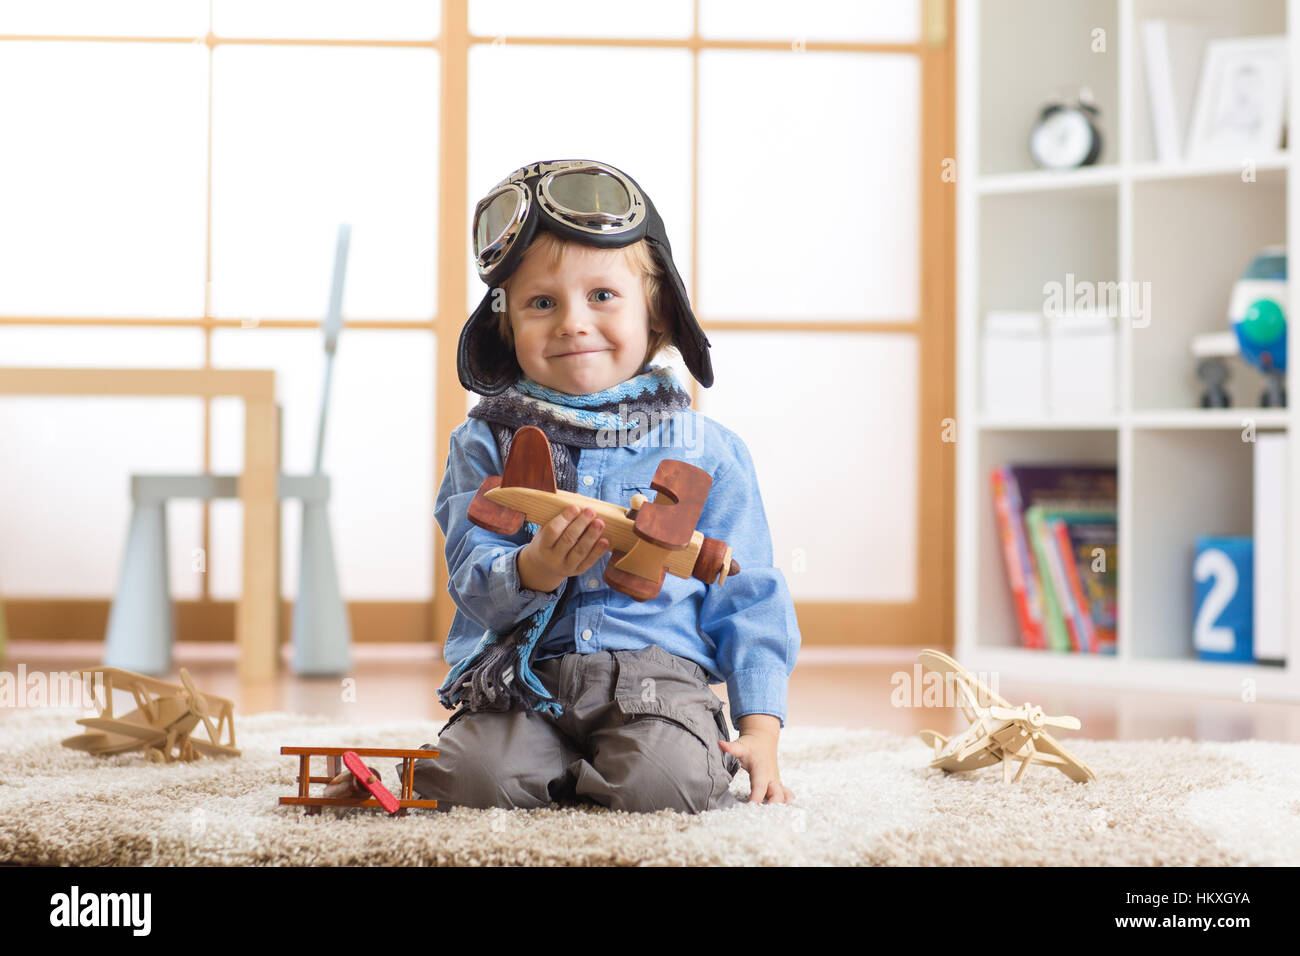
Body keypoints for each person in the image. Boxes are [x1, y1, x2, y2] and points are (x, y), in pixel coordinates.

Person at [405, 159, 799, 813]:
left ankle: (604, 774)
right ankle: (552, 766)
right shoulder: (482, 444)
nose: (571, 322)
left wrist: (761, 730)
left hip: (660, 682)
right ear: (507, 328)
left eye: (603, 296)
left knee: (665, 783)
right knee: (471, 783)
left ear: (658, 313)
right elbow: (471, 577)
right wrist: (530, 568)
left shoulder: (710, 450)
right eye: (540, 303)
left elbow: (751, 596)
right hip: (523, 678)